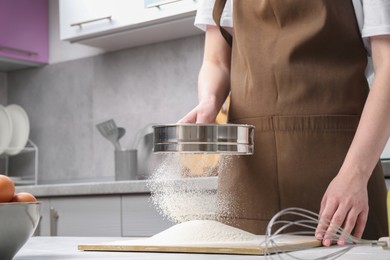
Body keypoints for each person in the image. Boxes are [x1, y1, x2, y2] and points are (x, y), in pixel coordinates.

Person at [179, 0, 390, 246]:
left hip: (343, 170)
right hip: (250, 178)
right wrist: (209, 101)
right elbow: (216, 61)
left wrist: (355, 174)